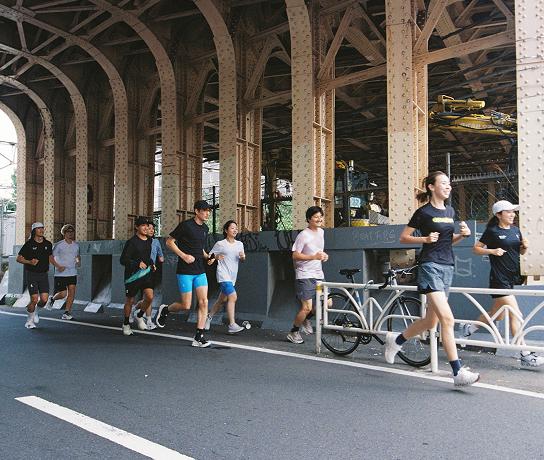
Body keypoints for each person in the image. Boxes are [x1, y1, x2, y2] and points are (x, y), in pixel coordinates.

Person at [384, 171, 480, 386]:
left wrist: (462, 236)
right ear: (431, 187)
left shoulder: (450, 211)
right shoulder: (423, 213)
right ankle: (457, 372)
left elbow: (446, 242)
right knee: (447, 319)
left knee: (431, 320)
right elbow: (404, 237)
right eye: (444, 183)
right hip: (430, 267)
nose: (448, 187)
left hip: (447, 266)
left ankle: (396, 340)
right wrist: (425, 238)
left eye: (449, 183)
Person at [467, 200, 544, 367]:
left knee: (498, 314)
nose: (512, 215)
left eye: (513, 212)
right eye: (508, 212)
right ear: (498, 215)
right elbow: (476, 248)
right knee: (516, 314)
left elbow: (520, 251)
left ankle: (469, 328)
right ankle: (525, 354)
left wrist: (524, 247)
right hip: (499, 279)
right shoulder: (492, 232)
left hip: (511, 279)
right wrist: (492, 251)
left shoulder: (516, 231)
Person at [155, 200, 214, 348]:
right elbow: (169, 242)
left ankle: (198, 336)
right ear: (196, 211)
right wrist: (184, 256)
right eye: (204, 210)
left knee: (204, 302)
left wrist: (208, 257)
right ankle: (165, 309)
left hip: (200, 270)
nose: (207, 213)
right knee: (186, 305)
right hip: (185, 270)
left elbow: (199, 248)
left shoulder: (205, 228)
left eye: (209, 211)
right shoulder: (186, 226)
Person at [287, 206, 328, 344]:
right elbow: (295, 255)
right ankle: (293, 332)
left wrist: (323, 256)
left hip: (318, 273)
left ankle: (306, 319)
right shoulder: (303, 235)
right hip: (304, 274)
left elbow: (318, 251)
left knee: (327, 303)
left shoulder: (321, 232)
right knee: (307, 307)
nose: (319, 219)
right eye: (316, 217)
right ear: (309, 219)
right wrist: (313, 257)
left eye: (320, 216)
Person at [205, 220, 246, 334]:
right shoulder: (220, 244)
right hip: (223, 275)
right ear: (226, 230)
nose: (235, 230)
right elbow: (209, 256)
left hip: (232, 277)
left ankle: (208, 317)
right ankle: (232, 325)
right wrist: (216, 256)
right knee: (233, 297)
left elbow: (242, 259)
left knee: (221, 300)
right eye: (232, 228)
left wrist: (242, 257)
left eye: (236, 228)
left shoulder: (239, 244)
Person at [120, 216, 155, 336]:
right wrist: (137, 263)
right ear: (137, 227)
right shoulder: (131, 242)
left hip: (146, 274)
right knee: (130, 300)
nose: (146, 228)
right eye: (143, 226)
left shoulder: (149, 240)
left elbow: (147, 257)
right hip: (132, 276)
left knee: (150, 297)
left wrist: (151, 263)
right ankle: (126, 324)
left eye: (147, 226)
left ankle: (139, 315)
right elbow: (123, 260)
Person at [16, 222, 53, 329]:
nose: (41, 230)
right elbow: (18, 258)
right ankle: (29, 321)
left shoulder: (48, 244)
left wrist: (58, 265)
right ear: (34, 231)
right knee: (34, 299)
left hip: (43, 275)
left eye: (42, 228)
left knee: (44, 300)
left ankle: (35, 310)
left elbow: (50, 257)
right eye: (38, 228)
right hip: (32, 274)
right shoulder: (29, 244)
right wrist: (29, 262)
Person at [47, 224, 80, 320]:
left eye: (72, 232)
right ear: (64, 233)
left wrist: (78, 262)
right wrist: (58, 266)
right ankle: (52, 299)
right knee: (63, 294)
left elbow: (77, 256)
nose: (70, 233)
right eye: (68, 232)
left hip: (72, 272)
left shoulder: (76, 245)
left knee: (72, 292)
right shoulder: (59, 245)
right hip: (60, 273)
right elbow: (51, 257)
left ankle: (66, 312)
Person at [136, 222, 163, 330]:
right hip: (138, 271)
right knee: (140, 296)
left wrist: (159, 259)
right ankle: (136, 312)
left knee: (148, 297)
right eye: (149, 228)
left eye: (153, 229)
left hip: (150, 271)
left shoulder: (156, 242)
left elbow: (161, 257)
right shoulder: (139, 241)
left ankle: (147, 319)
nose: (151, 230)